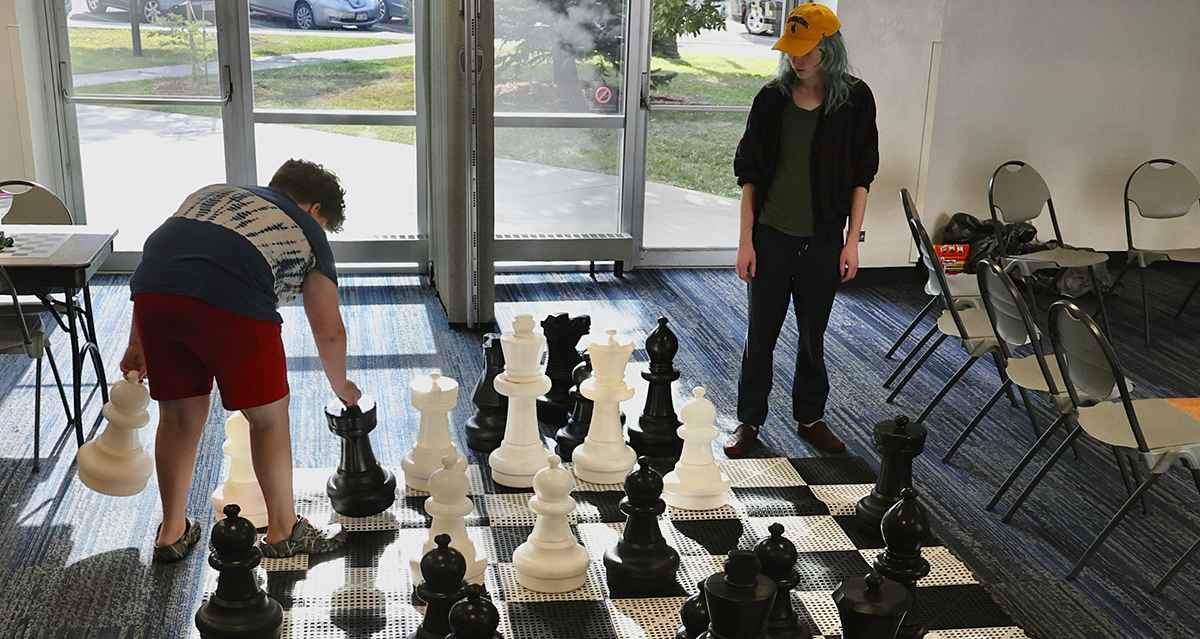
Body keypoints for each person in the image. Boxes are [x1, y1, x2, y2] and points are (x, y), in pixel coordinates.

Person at [120, 159, 363, 562]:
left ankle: (171, 532)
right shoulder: (306, 230)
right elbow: (329, 328)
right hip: (231, 303)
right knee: (267, 418)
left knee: (179, 417)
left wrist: (138, 342)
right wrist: (342, 386)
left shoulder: (211, 193)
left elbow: (165, 265)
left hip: (153, 299)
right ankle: (284, 531)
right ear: (315, 210)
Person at [724, 4, 878, 457]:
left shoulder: (855, 100)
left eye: (805, 48)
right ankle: (748, 422)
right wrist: (745, 241)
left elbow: (861, 178)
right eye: (790, 49)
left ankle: (810, 419)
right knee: (761, 335)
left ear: (827, 47)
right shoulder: (770, 99)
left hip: (824, 240)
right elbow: (748, 174)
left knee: (814, 336)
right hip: (771, 237)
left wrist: (851, 242)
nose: (796, 58)